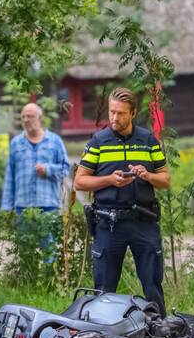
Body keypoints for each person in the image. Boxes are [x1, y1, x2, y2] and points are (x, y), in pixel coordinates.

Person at [73, 87, 170, 314]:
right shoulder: (98, 141)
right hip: (109, 223)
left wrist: (147, 175)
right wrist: (109, 180)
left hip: (143, 221)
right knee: (104, 291)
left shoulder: (148, 140)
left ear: (133, 113)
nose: (115, 118)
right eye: (112, 112)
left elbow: (165, 179)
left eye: (121, 113)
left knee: (152, 286)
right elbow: (80, 182)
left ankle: (161, 335)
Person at [0, 102, 70, 217]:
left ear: (40, 118)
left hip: (49, 207)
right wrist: (6, 208)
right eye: (23, 117)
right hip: (22, 209)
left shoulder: (55, 141)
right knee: (23, 236)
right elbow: (10, 177)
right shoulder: (16, 143)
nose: (25, 120)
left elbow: (65, 169)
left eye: (30, 116)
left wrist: (47, 170)